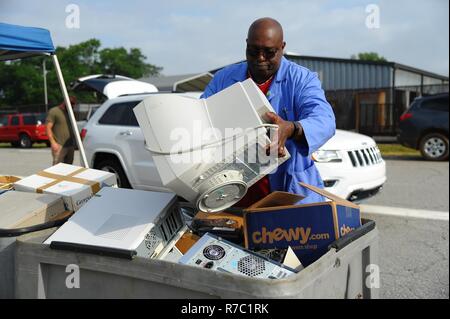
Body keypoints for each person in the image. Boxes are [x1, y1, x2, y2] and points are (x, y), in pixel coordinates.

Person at [201, 17, 336, 204]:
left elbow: (325, 120)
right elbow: (201, 116)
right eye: (253, 51)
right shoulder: (224, 78)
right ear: (246, 45)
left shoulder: (302, 79)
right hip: (234, 194)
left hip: (289, 193)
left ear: (282, 47)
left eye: (269, 52)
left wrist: (291, 128)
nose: (260, 59)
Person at [46, 96, 76, 165]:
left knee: (69, 167)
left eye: (74, 104)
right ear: (65, 102)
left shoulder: (70, 113)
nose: (73, 105)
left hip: (70, 145)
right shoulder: (54, 111)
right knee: (57, 167)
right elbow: (48, 128)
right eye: (71, 103)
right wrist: (53, 142)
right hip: (59, 145)